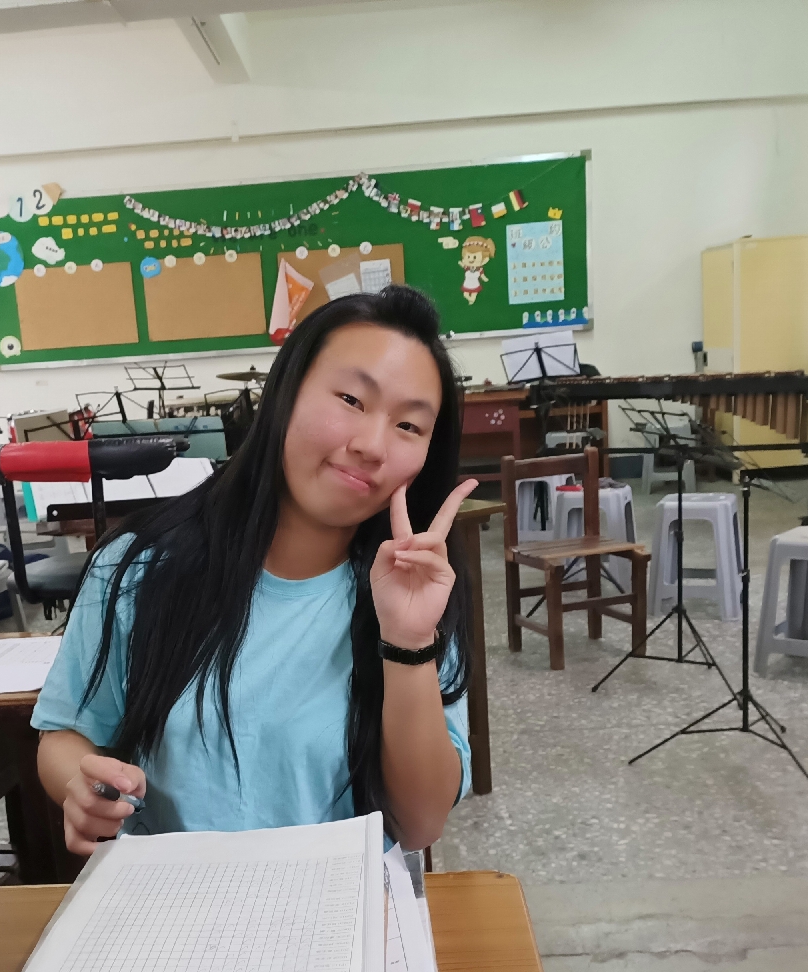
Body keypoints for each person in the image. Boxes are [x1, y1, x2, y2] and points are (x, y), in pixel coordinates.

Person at [34, 285, 476, 854]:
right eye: (351, 399)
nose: (372, 445)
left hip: (340, 898)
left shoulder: (416, 588)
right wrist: (84, 786)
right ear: (285, 393)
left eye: (409, 426)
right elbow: (66, 734)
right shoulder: (139, 564)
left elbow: (419, 826)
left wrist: (408, 642)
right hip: (175, 897)